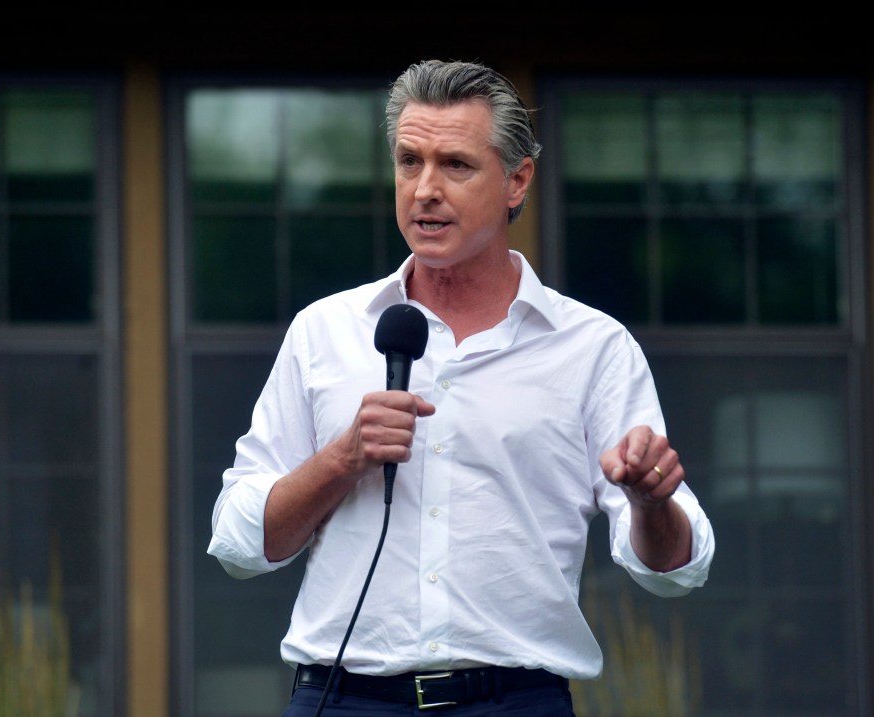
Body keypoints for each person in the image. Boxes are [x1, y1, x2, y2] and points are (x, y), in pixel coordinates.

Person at [208, 59, 715, 716]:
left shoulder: (592, 347)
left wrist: (650, 502)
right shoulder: (324, 331)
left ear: (516, 180)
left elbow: (676, 568)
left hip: (515, 699)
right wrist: (341, 459)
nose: (424, 189)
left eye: (455, 165)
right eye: (409, 161)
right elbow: (240, 545)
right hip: (342, 697)